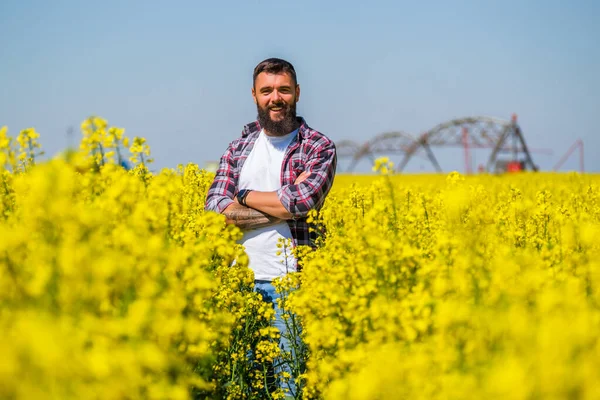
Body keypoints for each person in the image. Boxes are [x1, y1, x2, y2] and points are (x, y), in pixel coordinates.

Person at [204, 57, 337, 397]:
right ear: (254, 95)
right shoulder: (238, 149)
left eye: (283, 90)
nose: (275, 98)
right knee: (246, 387)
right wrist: (283, 206)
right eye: (267, 91)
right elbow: (216, 211)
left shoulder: (318, 147)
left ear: (297, 93)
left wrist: (244, 196)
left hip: (293, 286)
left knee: (290, 388)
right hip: (239, 285)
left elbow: (304, 201)